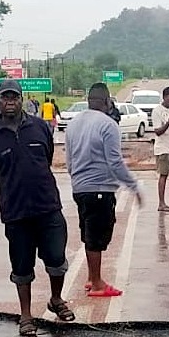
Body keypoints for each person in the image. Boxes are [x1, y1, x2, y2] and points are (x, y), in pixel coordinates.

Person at [0, 78, 76, 337]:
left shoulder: (40, 128)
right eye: (4, 97)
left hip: (48, 207)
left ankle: (56, 300)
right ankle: (25, 315)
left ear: (22, 100)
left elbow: (45, 159)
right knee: (22, 267)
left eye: (14, 97)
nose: (9, 101)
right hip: (16, 212)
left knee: (56, 259)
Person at [66, 82, 143, 298]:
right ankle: (98, 283)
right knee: (97, 236)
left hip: (80, 188)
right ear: (107, 101)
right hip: (100, 188)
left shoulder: (74, 124)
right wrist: (133, 186)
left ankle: (92, 278)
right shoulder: (108, 125)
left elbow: (69, 161)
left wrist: (77, 180)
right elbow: (115, 162)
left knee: (88, 232)